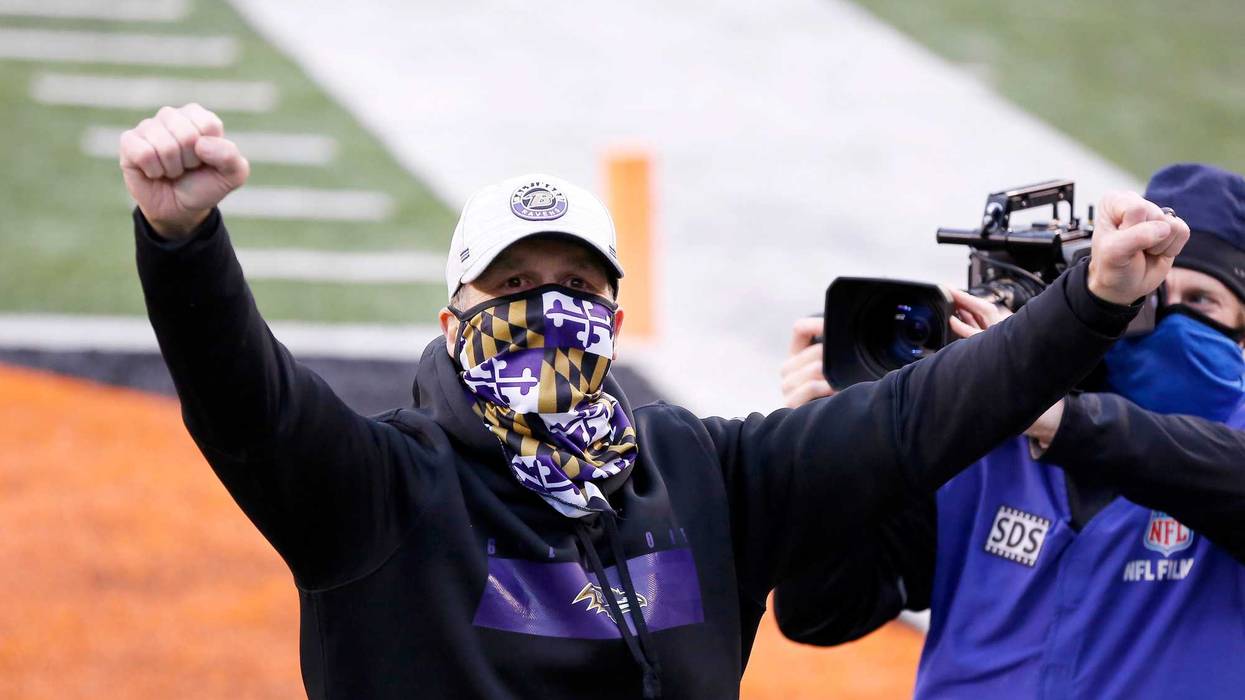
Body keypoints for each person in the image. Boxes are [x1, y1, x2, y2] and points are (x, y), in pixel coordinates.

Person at [119, 103, 1184, 700]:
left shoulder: (707, 475)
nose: (546, 312)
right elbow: (241, 398)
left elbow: (911, 421)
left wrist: (1085, 308)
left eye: (577, 289)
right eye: (513, 287)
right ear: (454, 320)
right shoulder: (378, 491)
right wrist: (181, 240)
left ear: (615, 322)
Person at [773, 163, 1245, 699]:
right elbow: (822, 612)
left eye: (1201, 301)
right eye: (1151, 294)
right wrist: (830, 445)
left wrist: (1051, 413)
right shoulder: (986, 433)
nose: (1165, 317)